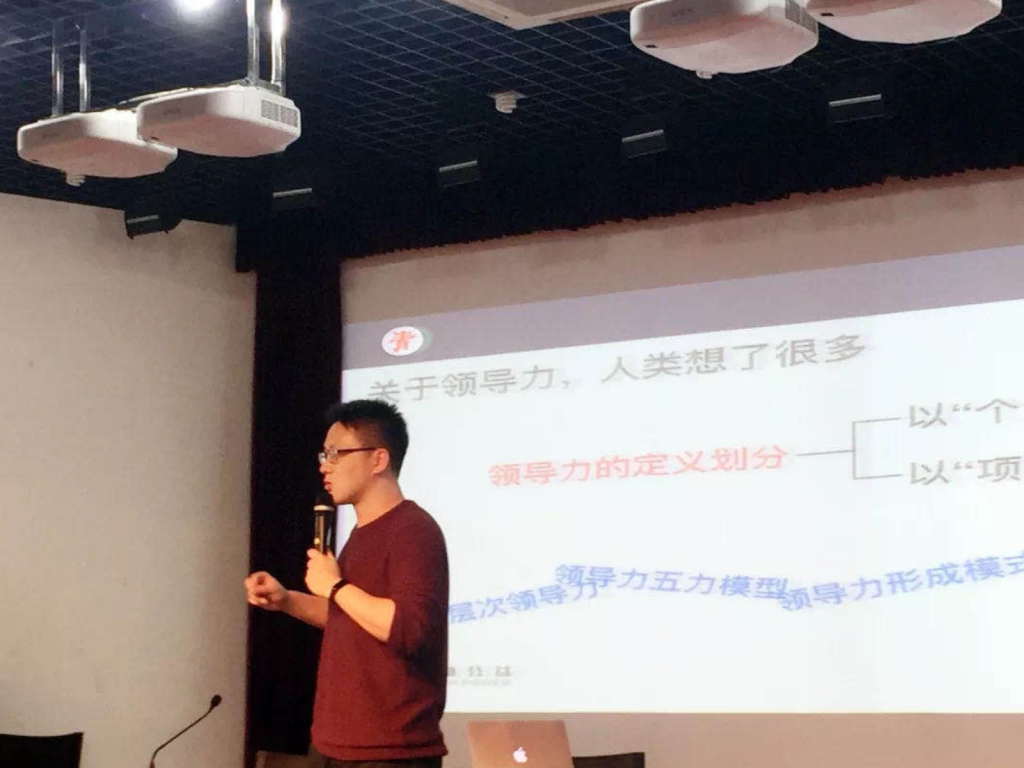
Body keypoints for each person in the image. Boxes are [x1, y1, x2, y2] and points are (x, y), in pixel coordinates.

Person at [245, 399, 449, 768]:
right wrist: (287, 599)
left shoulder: (414, 530)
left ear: (378, 459)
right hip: (334, 743)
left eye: (336, 454)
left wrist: (335, 586)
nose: (325, 465)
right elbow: (350, 617)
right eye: (324, 455)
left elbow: (410, 628)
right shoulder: (360, 534)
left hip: (390, 751)